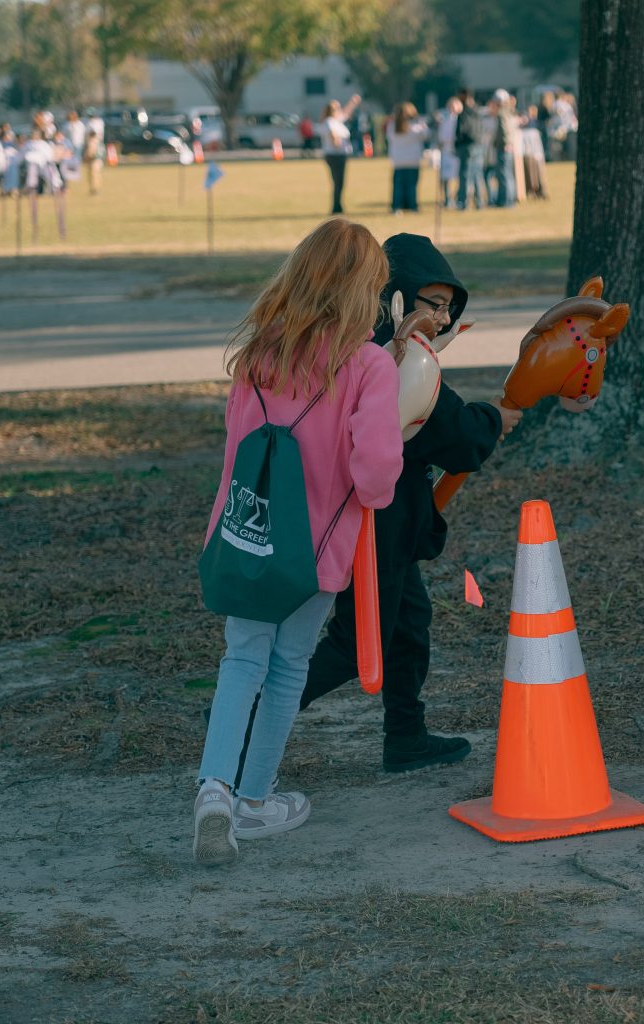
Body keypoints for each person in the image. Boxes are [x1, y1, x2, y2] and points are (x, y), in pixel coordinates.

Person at [193, 218, 403, 866]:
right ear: (366, 290)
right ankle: (256, 799)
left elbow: (235, 455)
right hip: (317, 552)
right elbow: (373, 471)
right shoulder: (368, 366)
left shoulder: (261, 353)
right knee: (288, 668)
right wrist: (379, 494)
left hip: (248, 538)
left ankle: (214, 791)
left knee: (241, 661)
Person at [299, 232, 522, 772]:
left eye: (450, 308)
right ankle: (251, 713)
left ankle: (406, 733)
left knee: (408, 620)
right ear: (395, 295)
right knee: (357, 642)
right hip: (371, 521)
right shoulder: (392, 357)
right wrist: (494, 418)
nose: (443, 320)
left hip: (384, 522)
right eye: (434, 304)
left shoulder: (373, 343)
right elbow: (451, 433)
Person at [318, 94, 360, 215]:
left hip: (338, 155)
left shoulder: (335, 120)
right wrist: (338, 143)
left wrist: (353, 102)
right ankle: (336, 207)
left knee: (340, 182)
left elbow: (346, 113)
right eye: (338, 108)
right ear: (333, 110)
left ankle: (338, 206)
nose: (340, 110)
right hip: (335, 155)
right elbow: (333, 135)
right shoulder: (330, 121)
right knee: (338, 182)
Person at [386, 102, 428, 214]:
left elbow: (389, 139)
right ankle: (413, 206)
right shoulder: (416, 126)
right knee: (412, 185)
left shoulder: (392, 126)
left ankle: (396, 207)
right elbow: (425, 135)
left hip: (398, 160)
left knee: (398, 186)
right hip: (413, 160)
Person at [454, 89, 484, 211]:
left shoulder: (464, 113)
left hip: (466, 146)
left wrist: (457, 143)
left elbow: (461, 130)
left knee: (465, 174)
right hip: (477, 145)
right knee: (477, 174)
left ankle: (463, 202)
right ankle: (479, 201)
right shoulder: (477, 111)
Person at [436, 96, 460, 207]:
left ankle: (457, 197)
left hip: (456, 150)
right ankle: (447, 198)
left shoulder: (460, 119)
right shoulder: (443, 119)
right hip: (445, 150)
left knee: (458, 175)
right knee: (445, 177)